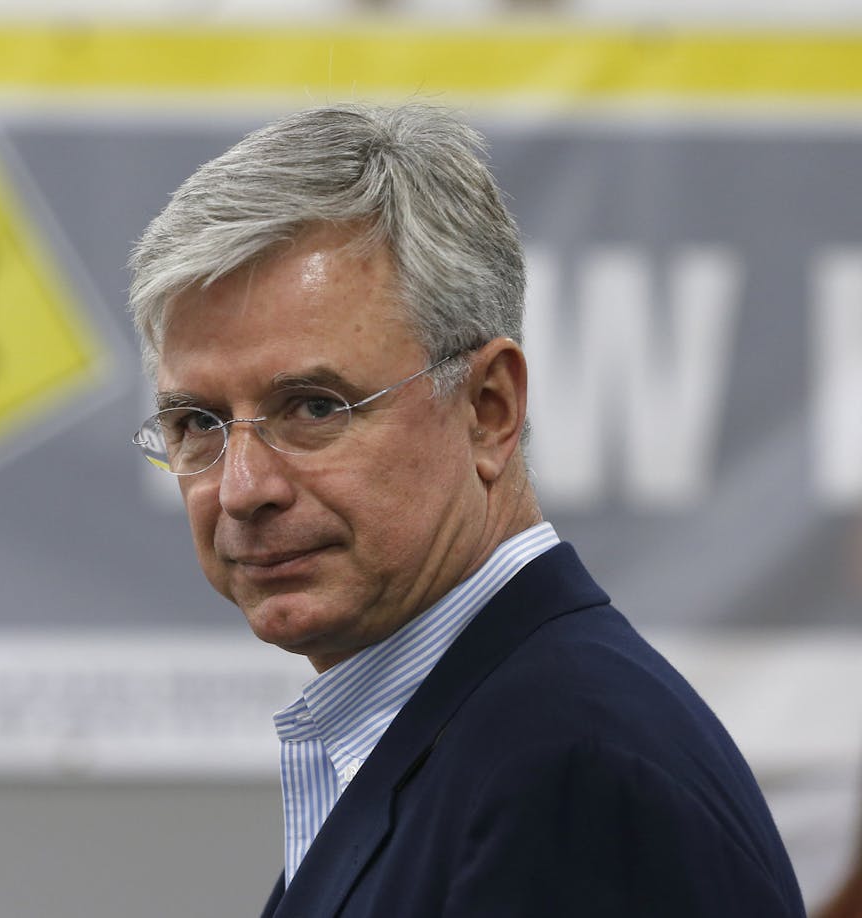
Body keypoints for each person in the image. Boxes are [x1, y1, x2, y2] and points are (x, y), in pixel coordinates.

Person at [127, 103, 805, 917]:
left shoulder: (570, 777)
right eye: (196, 424)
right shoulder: (475, 739)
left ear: (489, 408)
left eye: (313, 407)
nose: (241, 488)